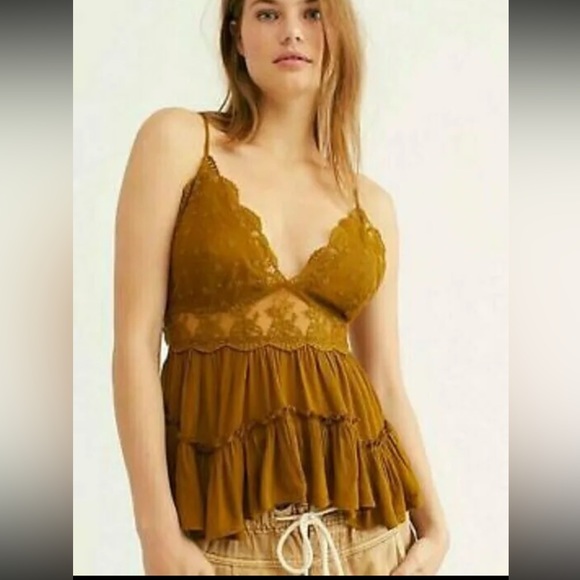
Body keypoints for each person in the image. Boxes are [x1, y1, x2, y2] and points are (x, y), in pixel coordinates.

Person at [112, 0, 449, 575]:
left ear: (338, 34)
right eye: (268, 13)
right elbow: (133, 343)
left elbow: (385, 380)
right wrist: (157, 533)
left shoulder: (371, 204)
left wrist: (436, 526)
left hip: (369, 538)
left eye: (313, 13)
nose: (292, 31)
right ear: (237, 36)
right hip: (220, 541)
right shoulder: (179, 143)